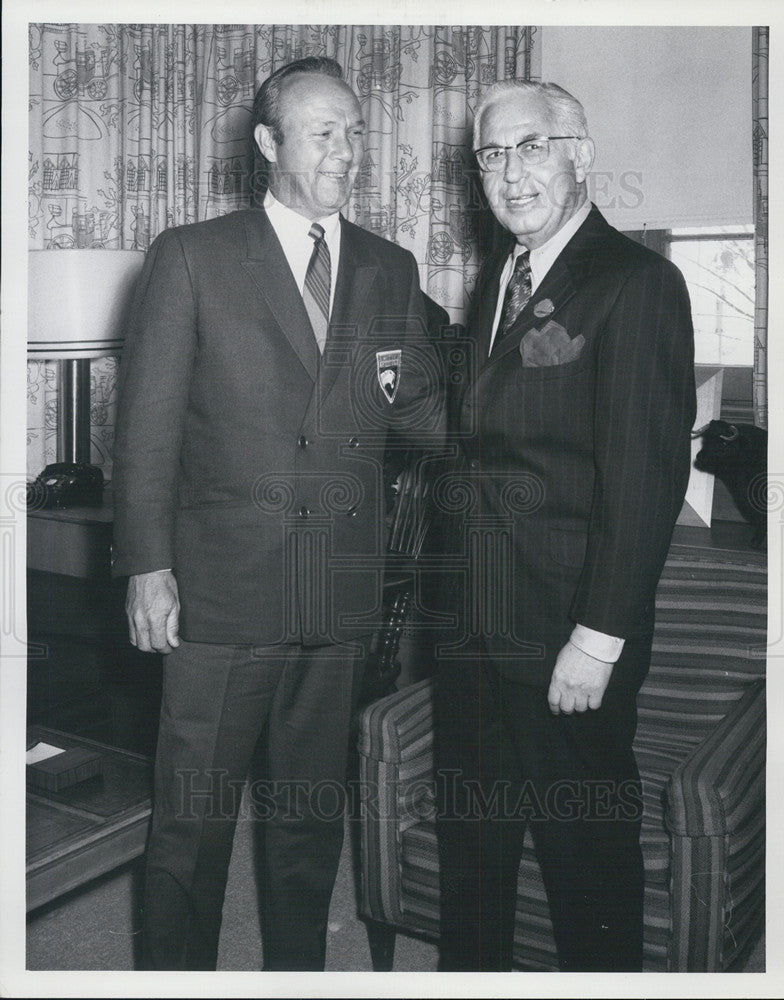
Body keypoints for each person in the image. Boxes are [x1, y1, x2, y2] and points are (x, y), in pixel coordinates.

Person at [112, 56, 443, 971]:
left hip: (334, 597)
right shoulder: (192, 254)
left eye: (356, 130)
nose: (348, 149)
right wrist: (147, 566)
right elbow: (145, 429)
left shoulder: (388, 264)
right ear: (268, 144)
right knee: (192, 826)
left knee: (308, 822)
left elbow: (420, 418)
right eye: (324, 131)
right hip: (218, 599)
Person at [433, 79, 696, 972]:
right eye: (492, 154)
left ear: (580, 154)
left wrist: (598, 637)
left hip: (564, 637)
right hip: (474, 627)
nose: (511, 174)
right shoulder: (502, 276)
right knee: (475, 857)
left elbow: (644, 484)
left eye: (532, 146)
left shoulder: (636, 284)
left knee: (585, 871)